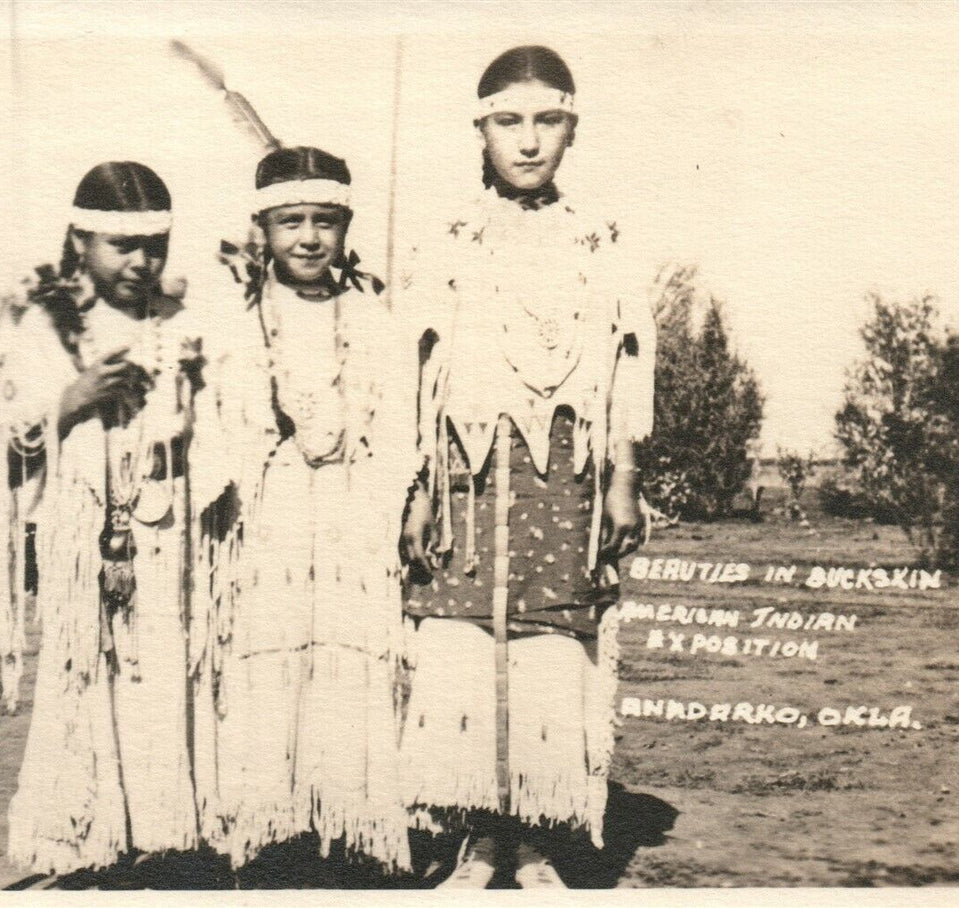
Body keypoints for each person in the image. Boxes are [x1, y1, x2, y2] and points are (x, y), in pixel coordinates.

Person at [398, 46, 656, 888]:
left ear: (571, 128)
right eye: (508, 121)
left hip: (562, 467)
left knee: (550, 641)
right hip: (465, 471)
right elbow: (415, 374)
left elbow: (625, 365)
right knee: (462, 644)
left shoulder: (601, 237)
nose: (528, 140)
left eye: (547, 120)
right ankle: (475, 837)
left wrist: (621, 477)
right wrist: (415, 489)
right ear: (480, 130)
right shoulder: (447, 236)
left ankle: (539, 838)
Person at [202, 146, 416, 875]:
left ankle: (351, 828)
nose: (307, 237)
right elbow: (222, 423)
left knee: (348, 665)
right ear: (260, 229)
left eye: (324, 221)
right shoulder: (239, 318)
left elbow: (396, 424)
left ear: (345, 227)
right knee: (270, 662)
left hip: (353, 514)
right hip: (270, 517)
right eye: (289, 221)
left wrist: (384, 505)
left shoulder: (373, 316)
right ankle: (268, 828)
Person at [6, 161, 218, 875]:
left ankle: (161, 837)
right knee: (88, 671)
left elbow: (216, 427)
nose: (140, 262)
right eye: (121, 246)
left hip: (170, 533)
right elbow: (12, 433)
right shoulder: (47, 328)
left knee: (162, 675)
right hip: (86, 536)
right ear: (80, 243)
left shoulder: (181, 325)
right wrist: (75, 395)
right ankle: (88, 842)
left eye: (154, 245)